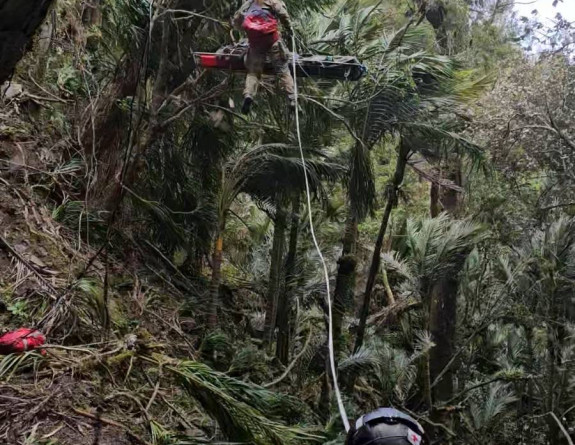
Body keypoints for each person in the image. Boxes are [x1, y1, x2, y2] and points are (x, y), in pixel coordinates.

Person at [233, 0, 295, 114]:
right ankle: (291, 98)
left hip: (256, 43)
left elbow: (236, 21)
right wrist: (289, 28)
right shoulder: (272, 1)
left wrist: (250, 29)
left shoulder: (248, 4)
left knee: (253, 72)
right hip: (272, 40)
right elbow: (283, 15)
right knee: (283, 70)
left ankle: (248, 95)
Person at [345, 408, 429, 445]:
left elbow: (349, 438)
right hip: (405, 437)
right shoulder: (408, 418)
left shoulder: (363, 419)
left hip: (372, 437)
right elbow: (425, 438)